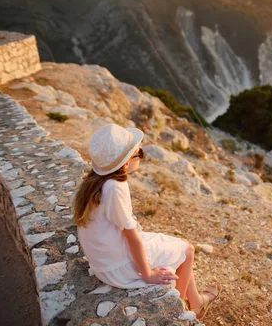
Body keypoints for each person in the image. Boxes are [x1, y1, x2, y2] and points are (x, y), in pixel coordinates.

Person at [74, 123, 221, 320]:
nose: (141, 157)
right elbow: (132, 238)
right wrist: (148, 274)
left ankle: (196, 301)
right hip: (118, 268)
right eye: (139, 153)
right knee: (187, 250)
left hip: (104, 262)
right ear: (126, 163)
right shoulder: (115, 188)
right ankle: (186, 312)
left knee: (177, 247)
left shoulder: (93, 182)